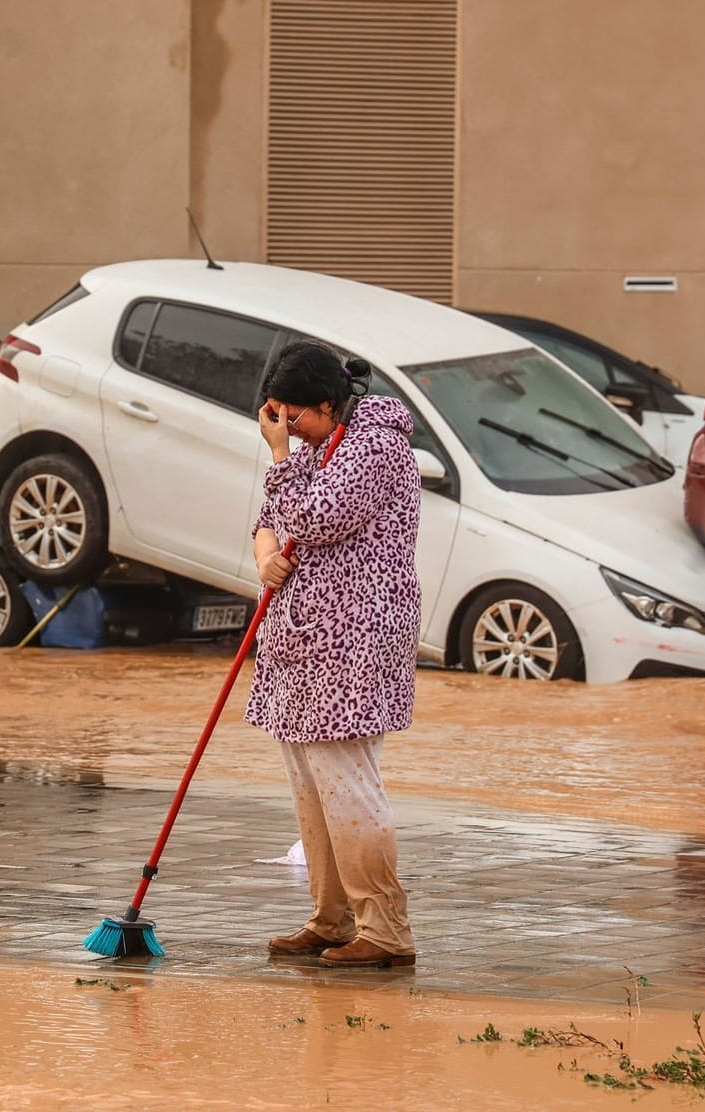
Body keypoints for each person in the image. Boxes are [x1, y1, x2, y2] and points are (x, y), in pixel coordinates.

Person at [248, 340, 421, 968]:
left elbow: (318, 516)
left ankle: (385, 928)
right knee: (310, 785)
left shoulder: (376, 446)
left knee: (347, 783)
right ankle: (331, 917)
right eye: (275, 417)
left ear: (328, 402)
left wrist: (278, 453)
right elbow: (270, 515)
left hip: (355, 640)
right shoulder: (320, 448)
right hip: (298, 640)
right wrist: (265, 553)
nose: (287, 429)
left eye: (294, 416)